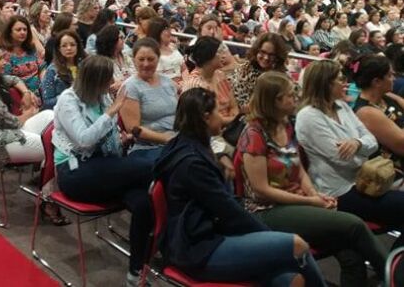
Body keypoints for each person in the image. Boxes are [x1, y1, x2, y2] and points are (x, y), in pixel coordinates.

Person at [154, 88, 325, 286]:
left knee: (291, 280)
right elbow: (228, 211)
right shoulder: (192, 164)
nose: (223, 118)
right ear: (205, 117)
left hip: (208, 235)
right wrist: (267, 235)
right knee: (297, 245)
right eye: (219, 112)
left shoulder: (186, 145)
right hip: (199, 249)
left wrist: (222, 157)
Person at [238, 72, 387, 287]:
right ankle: (393, 276)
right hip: (267, 210)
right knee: (354, 224)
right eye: (290, 95)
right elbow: (262, 190)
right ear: (275, 101)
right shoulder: (254, 134)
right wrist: (311, 202)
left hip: (297, 202)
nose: (296, 98)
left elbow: (300, 172)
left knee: (351, 256)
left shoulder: (286, 126)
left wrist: (316, 195)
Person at [53, 55, 153, 286]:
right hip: (75, 171)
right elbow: (84, 140)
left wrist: (122, 138)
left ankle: (135, 272)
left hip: (105, 168)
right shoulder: (68, 100)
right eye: (108, 79)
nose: (112, 83)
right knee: (149, 166)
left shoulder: (101, 96)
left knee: (144, 203)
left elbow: (107, 139)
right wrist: (112, 111)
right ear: (94, 80)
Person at [296, 59, 404, 250]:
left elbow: (370, 140)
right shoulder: (308, 117)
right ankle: (394, 270)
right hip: (339, 192)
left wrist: (357, 143)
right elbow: (344, 161)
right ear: (325, 83)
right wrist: (363, 150)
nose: (346, 83)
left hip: (365, 181)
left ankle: (394, 267)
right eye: (340, 79)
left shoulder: (342, 106)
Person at [0, 44, 53, 182]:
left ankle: (46, 175)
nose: (5, 62)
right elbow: (10, 121)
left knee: (50, 116)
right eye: (0, 59)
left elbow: (14, 79)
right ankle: (48, 188)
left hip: (9, 131)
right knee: (52, 145)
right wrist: (31, 113)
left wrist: (25, 92)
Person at [119, 38, 177, 164]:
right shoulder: (130, 88)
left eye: (151, 59)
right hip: (148, 148)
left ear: (158, 58)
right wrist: (166, 139)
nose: (146, 64)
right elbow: (134, 129)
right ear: (134, 60)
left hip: (176, 140)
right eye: (141, 59)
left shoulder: (168, 82)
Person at [351, 54, 404, 168]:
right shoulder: (366, 112)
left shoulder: (386, 96)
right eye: (390, 75)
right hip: (391, 173)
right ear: (377, 82)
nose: (394, 79)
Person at [231, 33, 289, 114]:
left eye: (271, 55)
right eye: (262, 52)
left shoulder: (282, 77)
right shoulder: (243, 71)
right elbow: (237, 102)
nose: (266, 58)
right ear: (256, 51)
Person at [41, 30, 85, 110]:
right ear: (59, 49)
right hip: (62, 111)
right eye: (64, 46)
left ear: (77, 47)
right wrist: (70, 96)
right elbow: (47, 102)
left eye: (72, 45)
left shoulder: (84, 66)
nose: (69, 48)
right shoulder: (52, 70)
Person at [1, 15, 42, 98]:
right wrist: (27, 93)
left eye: (25, 29)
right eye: (18, 30)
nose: (23, 32)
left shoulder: (32, 49)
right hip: (21, 96)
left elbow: (42, 67)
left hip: (40, 92)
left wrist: (43, 86)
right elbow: (7, 79)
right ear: (10, 32)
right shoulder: (4, 54)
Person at [95, 25, 135, 94]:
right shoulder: (102, 63)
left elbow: (136, 75)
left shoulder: (125, 56)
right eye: (121, 38)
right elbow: (111, 88)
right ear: (112, 40)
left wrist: (123, 83)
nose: (124, 40)